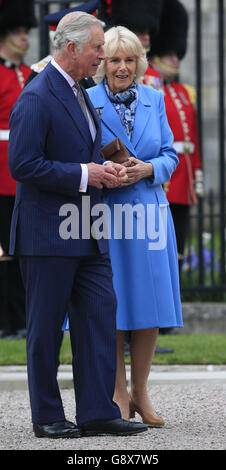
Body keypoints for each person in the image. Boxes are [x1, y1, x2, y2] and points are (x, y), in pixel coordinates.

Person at [8, 11, 147, 439]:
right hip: (48, 234)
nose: (103, 57)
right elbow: (23, 164)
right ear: (71, 49)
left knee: (98, 319)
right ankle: (47, 416)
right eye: (97, 48)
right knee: (46, 330)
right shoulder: (36, 96)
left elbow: (75, 150)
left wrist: (104, 169)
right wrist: (87, 174)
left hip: (88, 230)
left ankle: (97, 411)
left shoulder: (78, 90)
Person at [87, 26, 183, 425]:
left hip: (150, 213)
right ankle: (118, 394)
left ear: (139, 64)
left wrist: (148, 169)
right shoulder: (86, 99)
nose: (122, 67)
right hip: (107, 213)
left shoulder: (155, 99)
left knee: (149, 305)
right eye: (114, 60)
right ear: (102, 64)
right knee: (112, 305)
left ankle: (142, 393)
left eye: (129, 60)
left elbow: (169, 155)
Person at [147, 0, 203, 275]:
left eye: (176, 53)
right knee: (160, 248)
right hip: (167, 178)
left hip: (185, 180)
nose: (175, 59)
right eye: (168, 53)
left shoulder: (183, 92)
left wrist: (198, 178)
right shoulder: (151, 88)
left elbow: (194, 143)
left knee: (179, 248)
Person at [0, 0, 36, 339]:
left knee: (23, 247)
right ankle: (5, 319)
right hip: (0, 172)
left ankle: (24, 317)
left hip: (24, 172)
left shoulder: (27, 74)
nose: (24, 39)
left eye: (26, 32)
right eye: (18, 32)